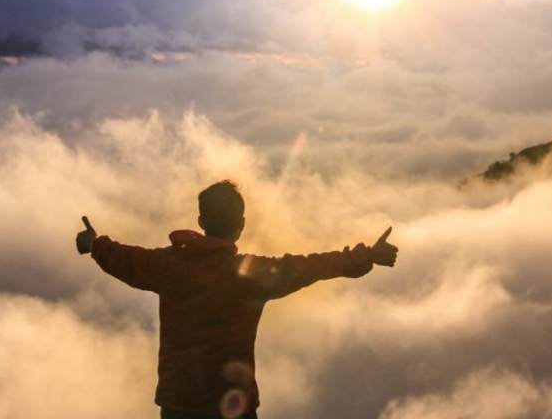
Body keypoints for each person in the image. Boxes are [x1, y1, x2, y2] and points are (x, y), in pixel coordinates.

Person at [76, 179, 398, 419]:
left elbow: (121, 258)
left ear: (201, 223)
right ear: (241, 226)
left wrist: (93, 242)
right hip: (232, 407)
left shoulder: (166, 266)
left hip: (178, 406)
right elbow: (311, 265)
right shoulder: (249, 276)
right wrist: (367, 255)